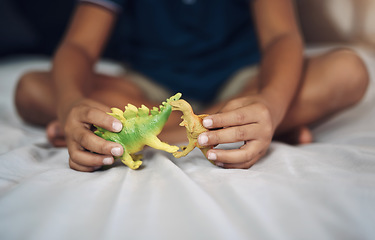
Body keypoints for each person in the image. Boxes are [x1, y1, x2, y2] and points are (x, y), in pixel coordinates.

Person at [14, 0, 369, 172]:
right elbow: (78, 47)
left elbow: (280, 36)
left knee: (348, 70)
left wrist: (270, 106)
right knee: (31, 88)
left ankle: (241, 123)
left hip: (241, 83)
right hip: (146, 89)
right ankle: (229, 130)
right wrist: (70, 105)